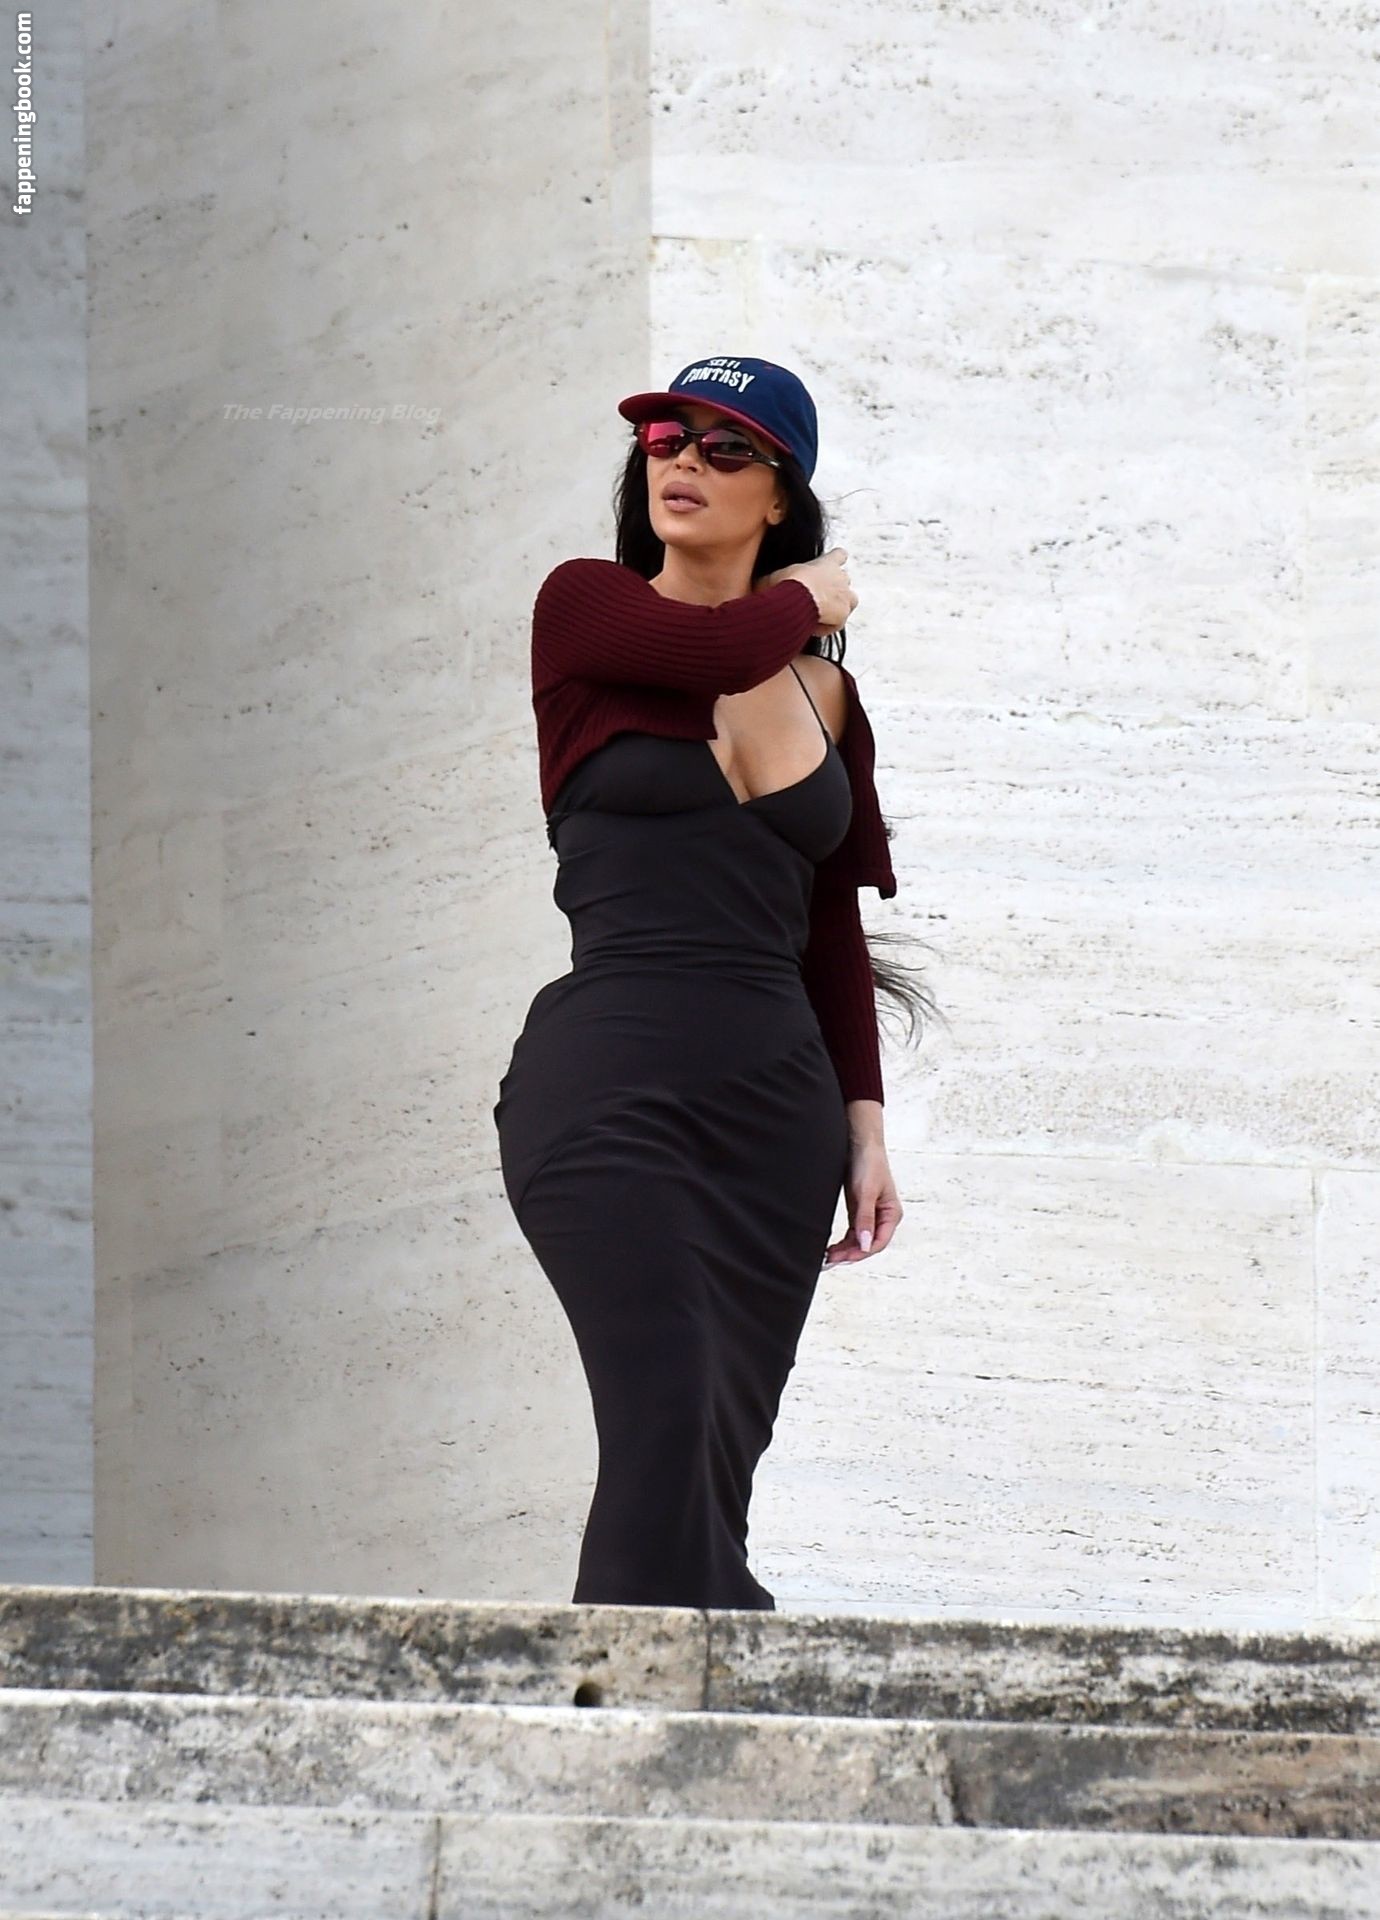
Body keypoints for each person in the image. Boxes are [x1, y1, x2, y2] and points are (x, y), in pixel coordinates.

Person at [494, 355, 911, 1611]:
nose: (682, 461)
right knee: (666, 1407)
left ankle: (686, 1671)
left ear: (780, 496)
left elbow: (828, 923)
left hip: (774, 1112)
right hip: (608, 1083)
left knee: (717, 1449)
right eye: (666, 438)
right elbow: (715, 646)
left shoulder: (825, 693)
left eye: (726, 448)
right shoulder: (584, 611)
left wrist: (865, 1125)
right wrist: (807, 596)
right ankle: (638, 1692)